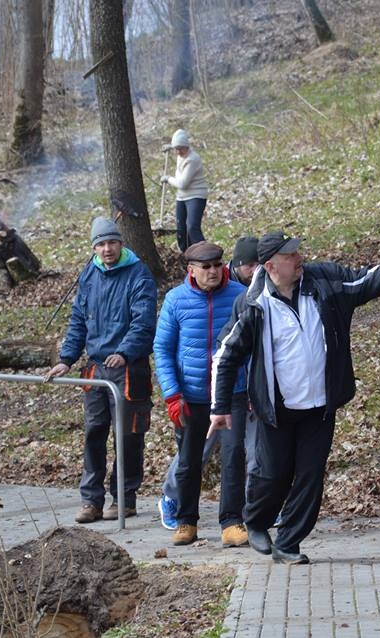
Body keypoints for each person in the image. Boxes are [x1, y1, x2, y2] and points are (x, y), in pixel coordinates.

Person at [209, 231, 380, 564]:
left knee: (310, 476)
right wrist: (219, 407)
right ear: (271, 266)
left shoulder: (323, 282)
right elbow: (225, 354)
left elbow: (367, 281)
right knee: (273, 475)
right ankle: (255, 520)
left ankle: (288, 543)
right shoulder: (254, 304)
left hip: (320, 407)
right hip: (278, 409)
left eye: (298, 252)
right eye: (291, 256)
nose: (300, 258)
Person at [44, 217, 157, 524]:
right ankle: (90, 500)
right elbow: (78, 320)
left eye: (112, 243)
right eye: (101, 244)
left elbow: (144, 323)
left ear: (121, 243)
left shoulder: (138, 275)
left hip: (128, 371)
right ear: (94, 247)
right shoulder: (89, 274)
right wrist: (66, 358)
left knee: (129, 435)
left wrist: (125, 352)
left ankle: (124, 498)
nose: (107, 249)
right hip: (96, 370)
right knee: (94, 433)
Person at [154, 240, 250, 547]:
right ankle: (186, 521)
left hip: (232, 391)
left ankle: (232, 522)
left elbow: (252, 344)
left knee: (234, 455)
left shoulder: (240, 295)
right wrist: (172, 394)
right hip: (190, 395)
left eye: (216, 265)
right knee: (189, 460)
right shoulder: (175, 300)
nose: (212, 271)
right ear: (191, 270)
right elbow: (163, 349)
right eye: (205, 267)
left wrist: (250, 386)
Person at [160, 129, 208, 253]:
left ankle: (205, 253)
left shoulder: (192, 159)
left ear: (187, 146)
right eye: (176, 149)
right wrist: (170, 147)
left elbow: (182, 184)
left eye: (180, 148)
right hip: (181, 198)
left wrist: (168, 178)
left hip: (196, 196)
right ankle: (187, 254)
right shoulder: (180, 153)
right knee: (181, 229)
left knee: (192, 227)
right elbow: (177, 144)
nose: (178, 152)